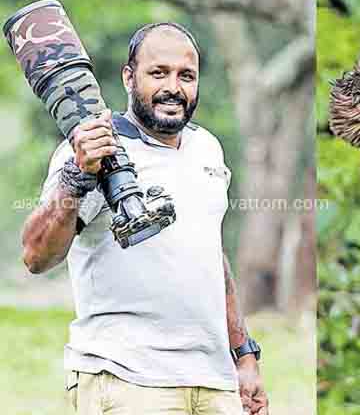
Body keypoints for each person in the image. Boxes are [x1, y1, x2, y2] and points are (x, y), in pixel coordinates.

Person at [20, 22, 269, 415]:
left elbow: (211, 259)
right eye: (159, 73)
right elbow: (36, 256)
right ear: (128, 77)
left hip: (212, 379)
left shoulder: (207, 148)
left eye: (186, 76)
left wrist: (244, 355)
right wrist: (76, 176)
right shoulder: (92, 148)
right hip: (127, 378)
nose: (174, 87)